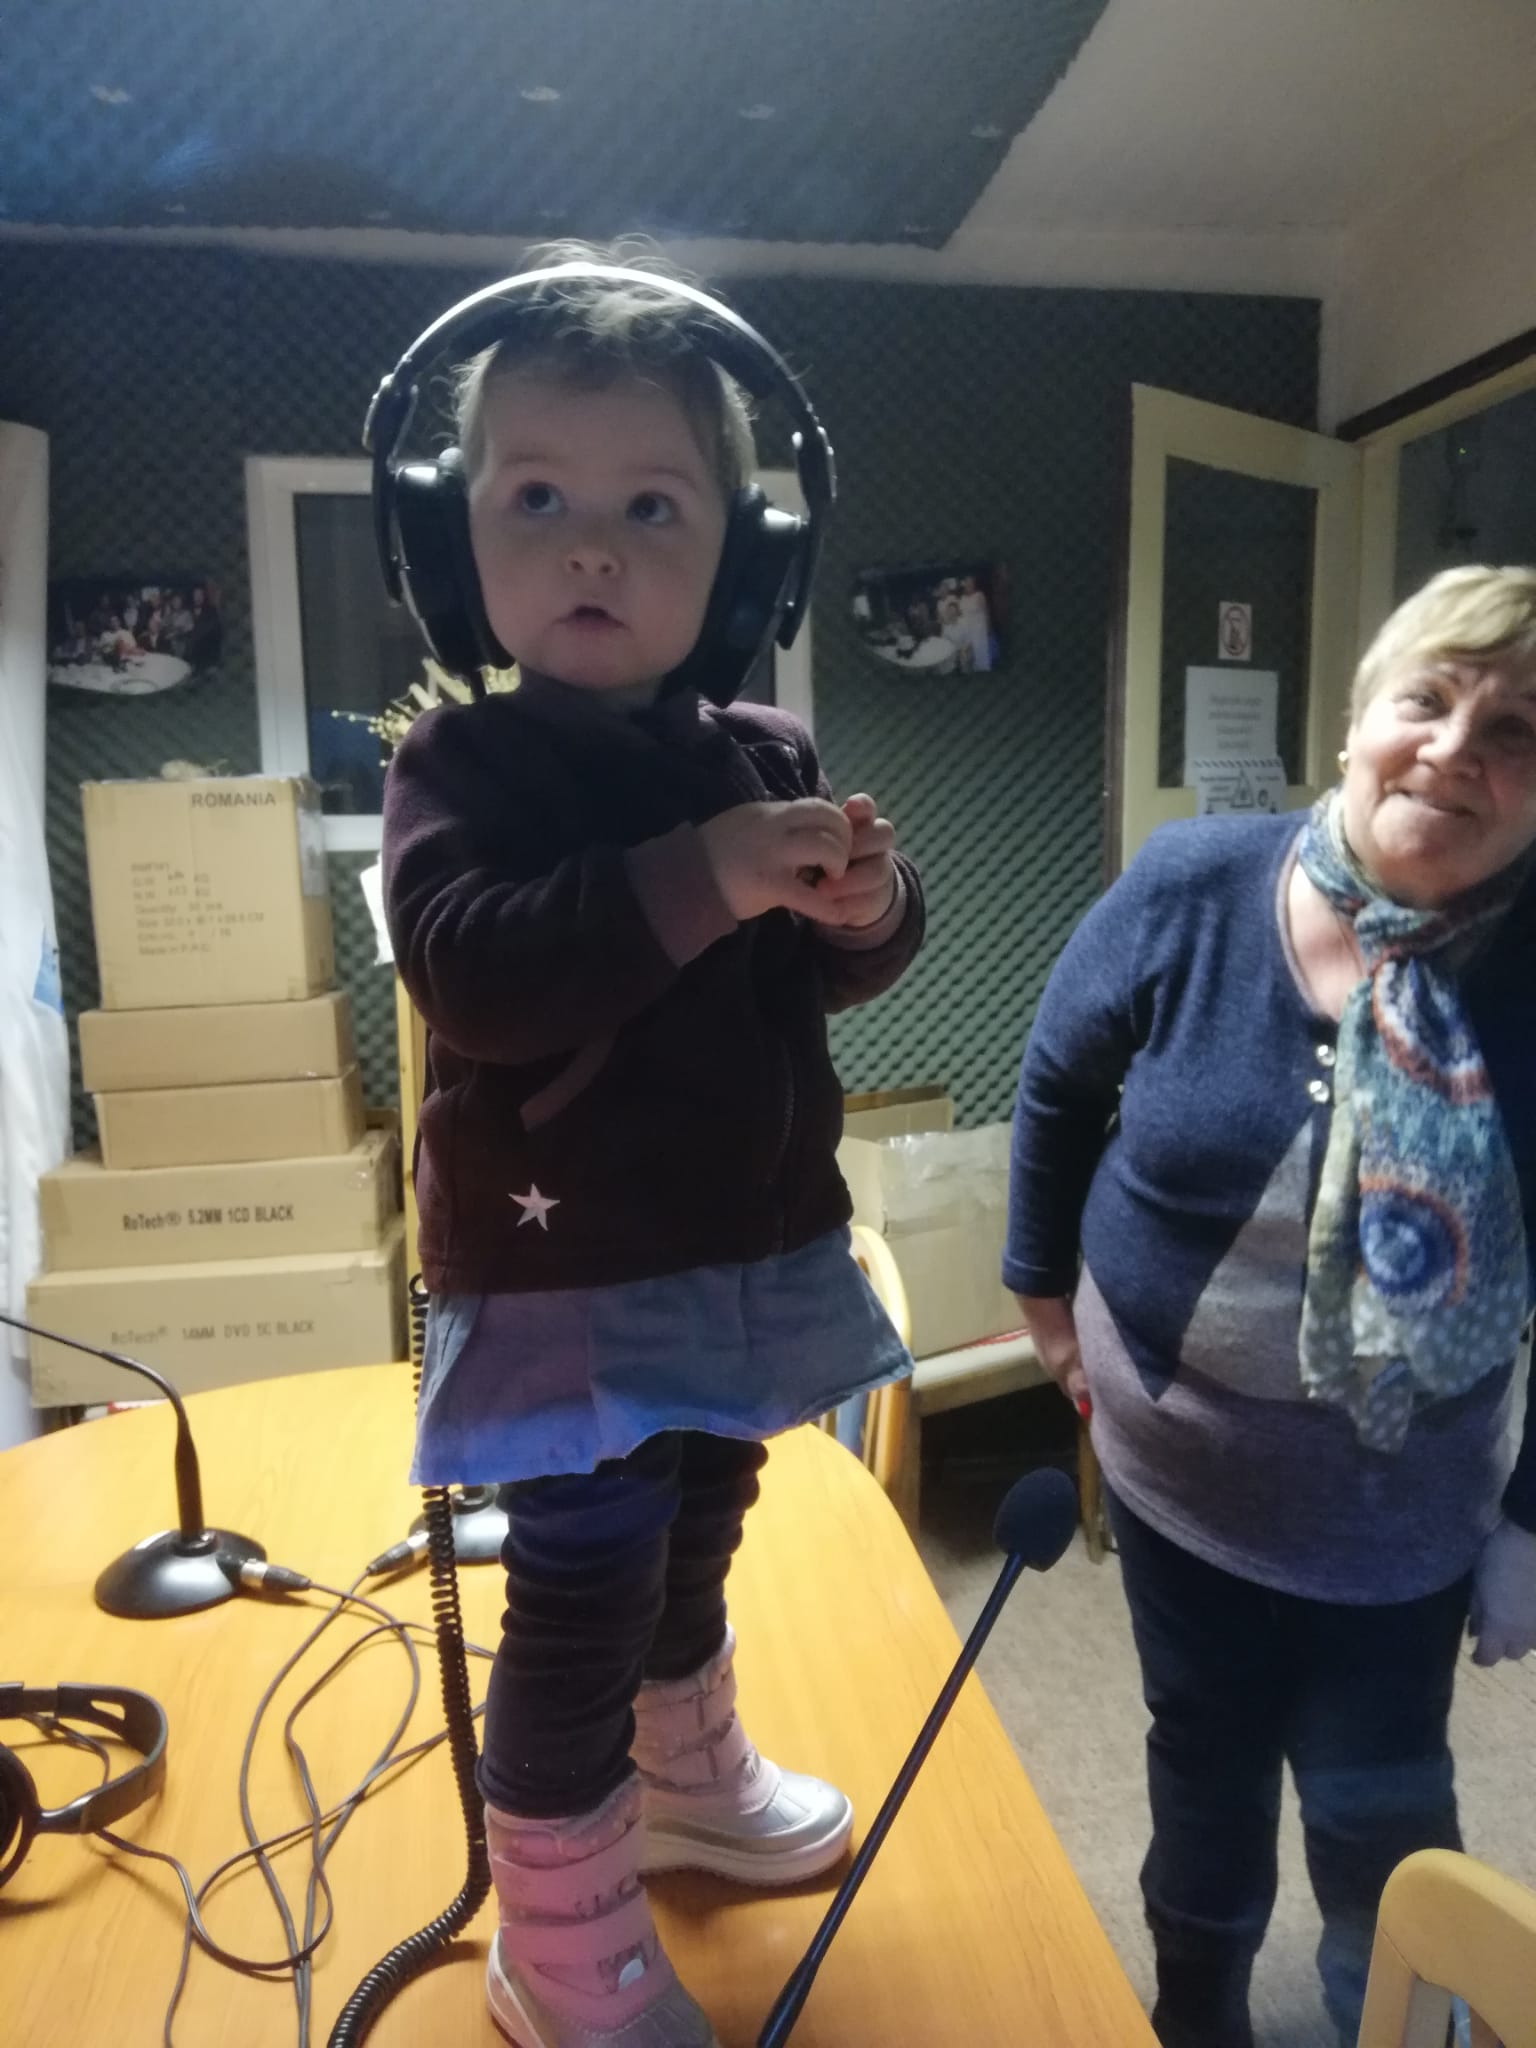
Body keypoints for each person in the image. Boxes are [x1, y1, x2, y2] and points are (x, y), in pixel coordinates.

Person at [382, 247, 924, 2048]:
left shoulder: (763, 749)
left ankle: (685, 1772)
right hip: (564, 1267)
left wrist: (860, 907)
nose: (592, 550)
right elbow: (477, 977)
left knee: (707, 1506)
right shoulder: (460, 767)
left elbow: (817, 973)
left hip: (742, 1241)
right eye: (537, 498)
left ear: (746, 565)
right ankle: (555, 1935)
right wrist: (703, 874)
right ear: (452, 541)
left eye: (651, 507)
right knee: (582, 1580)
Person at [1004, 565, 1536, 2048]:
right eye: (1428, 700)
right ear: (1358, 722)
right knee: (1204, 1771)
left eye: (1517, 730)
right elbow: (1058, 1083)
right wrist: (1043, 1302)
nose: (1456, 749)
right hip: (1177, 1479)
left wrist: (1533, 1524)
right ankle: (1198, 2013)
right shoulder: (1195, 883)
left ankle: (1394, 2021)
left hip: (1402, 1519)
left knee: (1381, 1809)